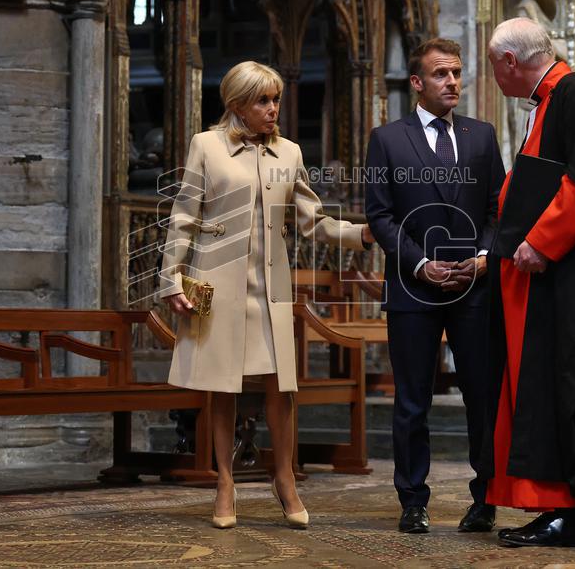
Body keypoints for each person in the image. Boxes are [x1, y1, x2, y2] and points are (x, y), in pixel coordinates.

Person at [158, 60, 374, 530]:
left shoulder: (290, 153)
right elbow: (182, 217)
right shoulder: (206, 146)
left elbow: (313, 220)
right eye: (263, 100)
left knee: (282, 386)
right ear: (238, 104)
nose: (274, 108)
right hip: (218, 282)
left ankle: (284, 479)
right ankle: (225, 482)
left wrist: (363, 234)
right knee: (222, 386)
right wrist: (170, 278)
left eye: (276, 99)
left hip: (272, 287)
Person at [481, 17, 575, 547]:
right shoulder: (552, 101)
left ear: (509, 62)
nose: (492, 76)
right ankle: (553, 510)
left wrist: (541, 240)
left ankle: (563, 513)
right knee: (542, 394)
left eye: (492, 64)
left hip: (565, 283)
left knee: (559, 392)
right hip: (542, 282)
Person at [365, 38, 505, 534]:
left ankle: (486, 498)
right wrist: (419, 263)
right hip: (413, 287)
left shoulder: (482, 137)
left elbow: (496, 209)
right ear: (418, 83)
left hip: (475, 288)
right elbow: (379, 216)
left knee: (482, 396)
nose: (452, 82)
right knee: (411, 400)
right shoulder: (387, 139)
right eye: (441, 74)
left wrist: (485, 259)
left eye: (457, 73)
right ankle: (412, 500)